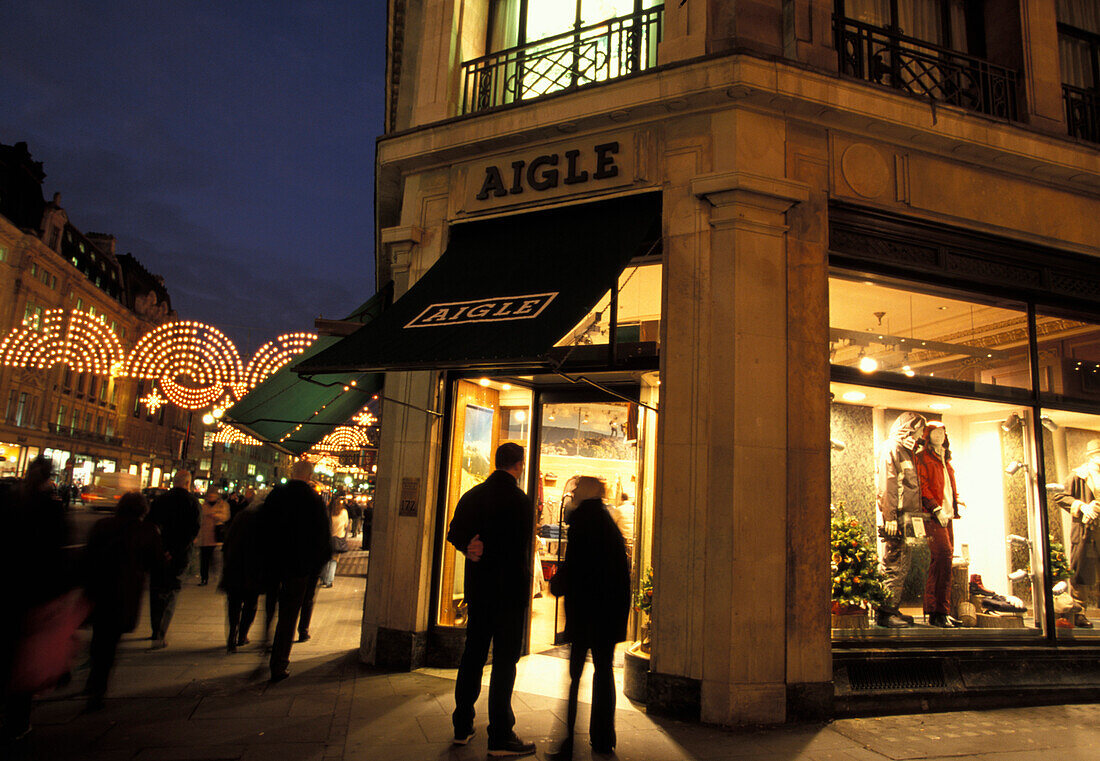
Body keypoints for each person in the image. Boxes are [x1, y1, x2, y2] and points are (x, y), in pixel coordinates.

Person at [446, 442, 536, 757]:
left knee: (473, 654)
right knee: (504, 662)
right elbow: (521, 544)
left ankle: (462, 725)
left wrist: (468, 546)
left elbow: (453, 531)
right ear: (519, 465)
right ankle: (500, 733)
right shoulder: (521, 501)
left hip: (480, 590)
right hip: (509, 592)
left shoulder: (474, 495)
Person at [548, 476, 630, 759]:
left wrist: (557, 584)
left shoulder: (583, 523)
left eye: (573, 491)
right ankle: (604, 737)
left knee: (575, 676)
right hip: (608, 614)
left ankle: (568, 741)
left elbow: (577, 568)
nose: (569, 496)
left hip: (586, 613)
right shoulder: (607, 523)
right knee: (603, 670)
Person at [1, 456, 69, 743]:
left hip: (8, 585)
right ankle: (19, 719)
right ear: (49, 478)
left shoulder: (10, 503)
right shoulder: (51, 509)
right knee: (27, 653)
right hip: (37, 589)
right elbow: (59, 553)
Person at [82, 491, 163, 710]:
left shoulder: (102, 525)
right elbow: (155, 563)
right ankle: (98, 686)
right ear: (143, 509)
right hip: (124, 592)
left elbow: (87, 557)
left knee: (100, 635)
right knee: (110, 639)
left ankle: (94, 677)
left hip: (98, 588)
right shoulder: (147, 530)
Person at [258, 460, 331, 682]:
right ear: (309, 476)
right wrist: (315, 566)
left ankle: (264, 640)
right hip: (299, 567)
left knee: (270, 606)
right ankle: (279, 662)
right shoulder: (313, 500)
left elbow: (261, 527)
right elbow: (322, 538)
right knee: (289, 615)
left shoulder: (276, 495)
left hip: (274, 563)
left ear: (292, 473)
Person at [875, 411, 927, 629]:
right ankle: (885, 612)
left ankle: (892, 607)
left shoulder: (906, 451)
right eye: (920, 429)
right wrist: (890, 516)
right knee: (895, 563)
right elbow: (887, 484)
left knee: (902, 563)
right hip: (897, 517)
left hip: (907, 516)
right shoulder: (893, 448)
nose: (922, 434)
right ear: (910, 427)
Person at [147, 470, 201, 649]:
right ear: (187, 483)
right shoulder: (193, 502)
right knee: (172, 591)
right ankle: (160, 633)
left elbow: (151, 525)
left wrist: (162, 549)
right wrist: (175, 550)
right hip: (180, 554)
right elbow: (193, 531)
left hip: (158, 553)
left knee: (156, 589)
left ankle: (155, 628)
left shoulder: (160, 500)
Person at [915, 421, 960, 628]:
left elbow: (947, 487)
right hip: (934, 515)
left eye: (942, 432)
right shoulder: (923, 458)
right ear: (928, 435)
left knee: (944, 562)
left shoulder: (945, 459)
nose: (939, 435)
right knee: (943, 556)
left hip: (948, 514)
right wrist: (935, 507)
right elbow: (922, 486)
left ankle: (941, 610)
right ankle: (937, 611)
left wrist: (955, 502)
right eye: (935, 432)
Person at [1051, 438, 1100, 628]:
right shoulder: (1078, 475)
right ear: (1092, 455)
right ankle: (1079, 612)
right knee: (1083, 572)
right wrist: (1081, 506)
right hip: (1086, 532)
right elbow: (1061, 496)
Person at [220, 492, 266, 653]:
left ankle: (232, 636)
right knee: (250, 604)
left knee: (233, 604)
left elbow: (228, 541)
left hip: (235, 566)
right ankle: (242, 635)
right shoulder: (264, 520)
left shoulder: (240, 517)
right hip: (253, 569)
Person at [197, 488, 231, 586]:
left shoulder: (222, 505)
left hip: (217, 535)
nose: (211, 498)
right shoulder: (203, 505)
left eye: (213, 496)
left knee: (216, 558)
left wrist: (216, 515)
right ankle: (204, 578)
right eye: (209, 496)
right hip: (205, 535)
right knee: (204, 558)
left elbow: (226, 517)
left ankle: (216, 576)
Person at [320, 498, 349, 588]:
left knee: (325, 560)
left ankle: (324, 579)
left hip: (328, 538)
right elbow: (346, 525)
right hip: (339, 538)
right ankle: (329, 581)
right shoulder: (343, 512)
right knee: (334, 561)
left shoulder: (328, 512)